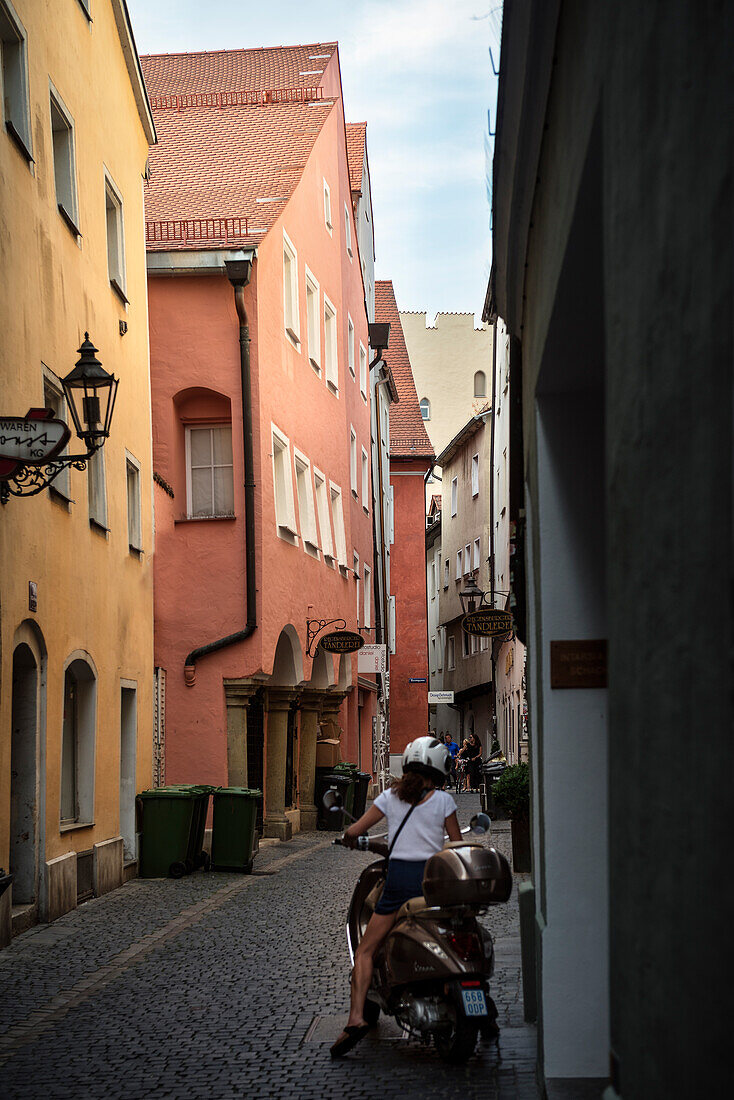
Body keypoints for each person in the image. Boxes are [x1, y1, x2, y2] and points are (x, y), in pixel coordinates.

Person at [330, 736, 462, 1058]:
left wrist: (349, 838)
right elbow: (458, 846)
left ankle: (356, 1018)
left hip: (400, 880)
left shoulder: (390, 797)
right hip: (432, 882)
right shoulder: (444, 802)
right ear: (440, 770)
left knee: (364, 951)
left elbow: (355, 831)